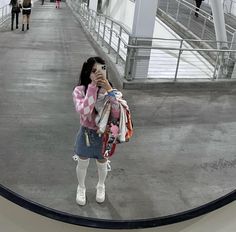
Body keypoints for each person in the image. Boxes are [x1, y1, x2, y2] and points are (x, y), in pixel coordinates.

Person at [72, 57, 122, 206]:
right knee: (82, 162)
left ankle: (101, 185)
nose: (99, 73)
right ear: (88, 73)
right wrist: (93, 87)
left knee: (102, 162)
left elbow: (117, 113)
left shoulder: (111, 92)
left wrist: (108, 89)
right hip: (86, 133)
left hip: (104, 135)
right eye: (94, 71)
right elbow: (85, 111)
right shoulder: (79, 91)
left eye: (102, 69)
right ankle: (81, 187)